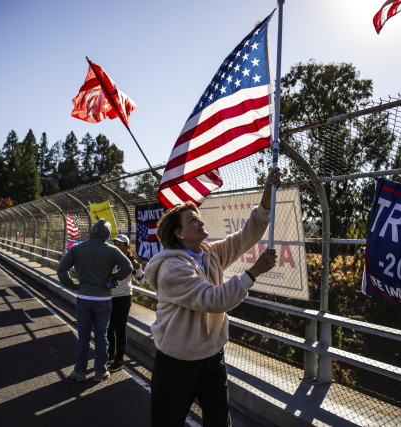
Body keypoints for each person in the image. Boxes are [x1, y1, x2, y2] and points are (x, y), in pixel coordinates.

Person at [145, 167, 282, 427]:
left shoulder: (210, 253)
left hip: (212, 357)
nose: (201, 222)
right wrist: (253, 272)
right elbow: (214, 300)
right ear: (178, 233)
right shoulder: (172, 269)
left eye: (199, 217)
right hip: (177, 363)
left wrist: (266, 198)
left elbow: (245, 237)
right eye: (192, 220)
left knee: (219, 422)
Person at [57, 218, 132, 382]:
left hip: (83, 297)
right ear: (107, 233)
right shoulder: (112, 250)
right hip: (104, 299)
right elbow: (128, 267)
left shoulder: (77, 248)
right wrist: (114, 277)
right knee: (101, 335)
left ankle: (80, 371)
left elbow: (61, 269)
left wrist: (73, 285)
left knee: (83, 335)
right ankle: (100, 371)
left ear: (92, 231)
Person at [108, 234, 146, 372]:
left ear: (126, 247)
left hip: (123, 297)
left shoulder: (130, 262)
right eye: (115, 244)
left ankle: (119, 360)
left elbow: (141, 281)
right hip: (109, 296)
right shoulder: (110, 258)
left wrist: (138, 267)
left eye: (120, 244)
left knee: (120, 328)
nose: (117, 246)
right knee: (109, 328)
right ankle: (110, 355)